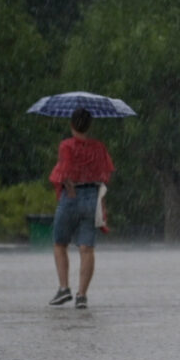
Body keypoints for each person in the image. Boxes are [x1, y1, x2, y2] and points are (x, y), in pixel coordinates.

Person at [47, 107, 114, 309]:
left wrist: (69, 188)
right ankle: (82, 295)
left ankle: (64, 288)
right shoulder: (99, 147)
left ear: (71, 124)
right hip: (92, 196)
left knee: (60, 243)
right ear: (89, 125)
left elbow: (65, 171)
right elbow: (106, 171)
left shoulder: (66, 145)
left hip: (72, 195)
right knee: (87, 248)